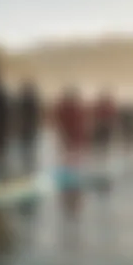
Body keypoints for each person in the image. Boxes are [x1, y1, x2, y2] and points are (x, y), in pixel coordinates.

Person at [54, 87, 88, 218]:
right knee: (70, 162)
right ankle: (69, 180)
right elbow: (60, 122)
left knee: (71, 163)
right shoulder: (67, 107)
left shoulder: (70, 107)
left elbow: (79, 124)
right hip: (70, 140)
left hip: (73, 141)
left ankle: (69, 180)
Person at [13, 80, 41, 178]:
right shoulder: (25, 102)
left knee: (28, 152)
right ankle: (27, 172)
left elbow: (34, 117)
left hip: (28, 130)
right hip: (26, 131)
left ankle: (28, 172)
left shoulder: (29, 102)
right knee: (26, 152)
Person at [91, 90, 116, 169]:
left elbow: (111, 117)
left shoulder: (108, 107)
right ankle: (100, 158)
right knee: (101, 146)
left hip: (105, 128)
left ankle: (102, 158)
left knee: (103, 145)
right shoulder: (101, 107)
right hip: (101, 128)